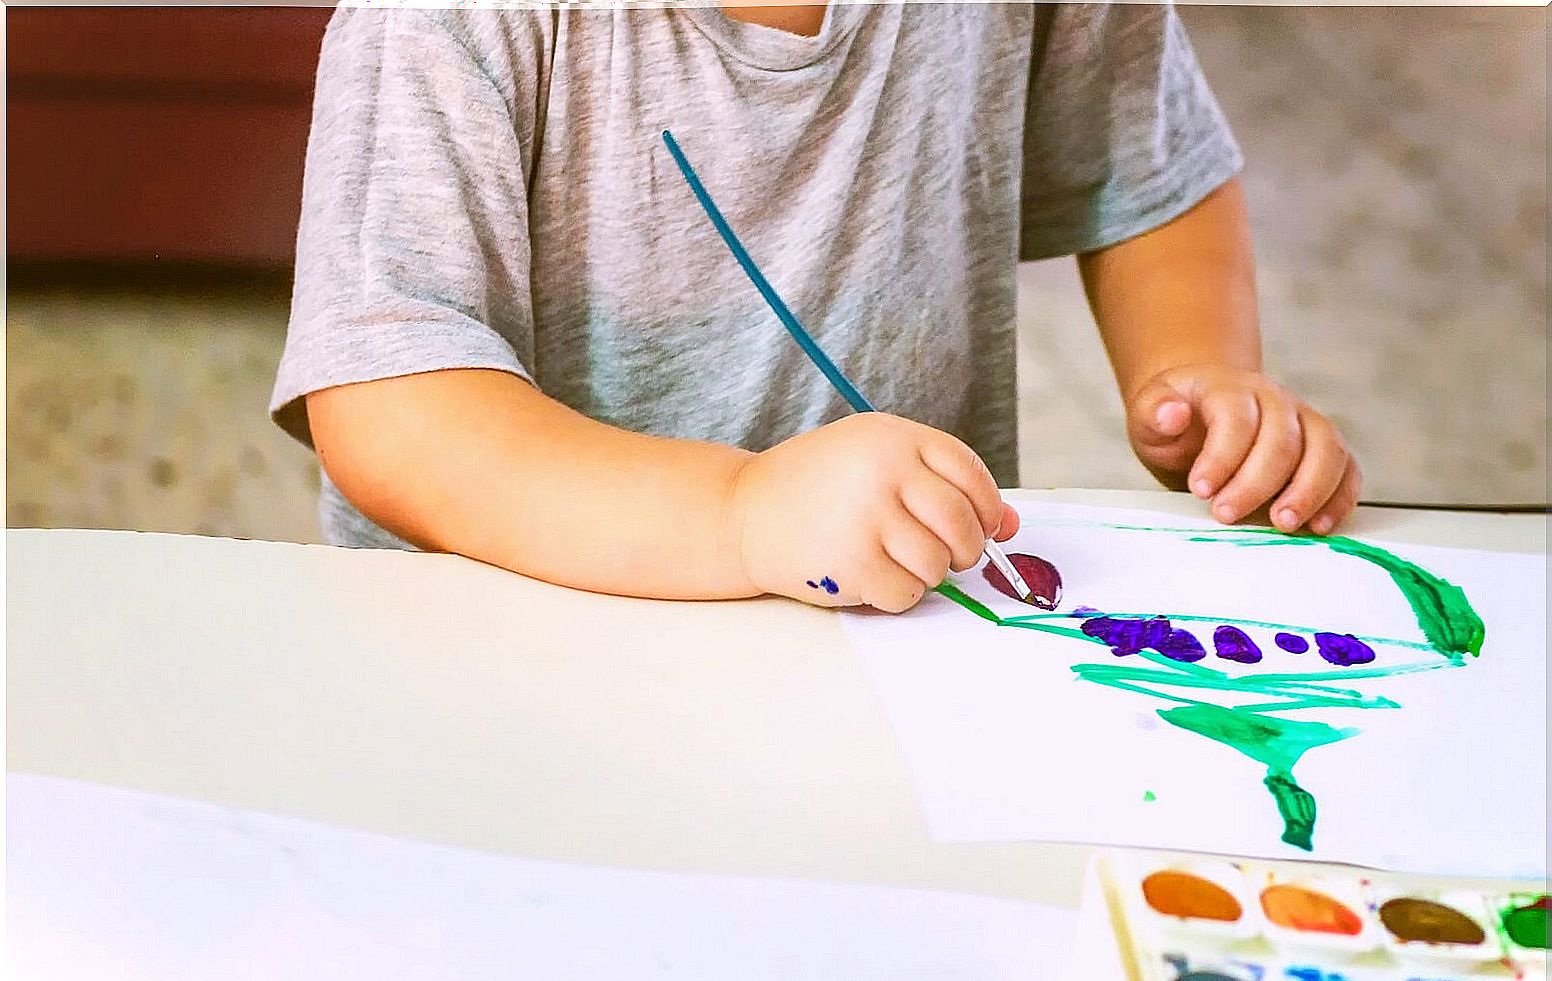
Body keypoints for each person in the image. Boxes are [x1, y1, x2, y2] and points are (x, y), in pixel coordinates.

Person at [271, 1, 1361, 613]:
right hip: (537, 655)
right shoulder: (439, 23)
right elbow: (387, 409)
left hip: (898, 642)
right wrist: (742, 514)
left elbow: (1152, 172)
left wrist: (1196, 371)